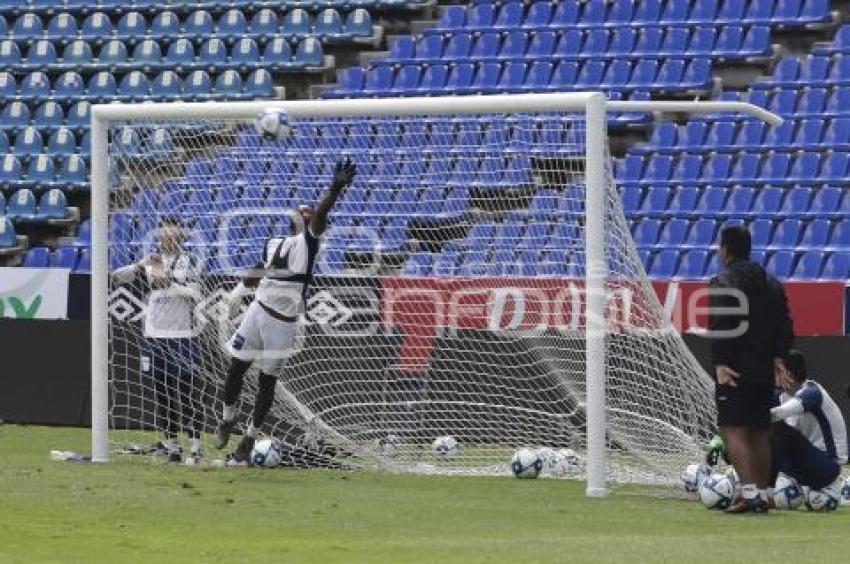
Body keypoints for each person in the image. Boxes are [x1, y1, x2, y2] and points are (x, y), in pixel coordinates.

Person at [214, 158, 357, 463]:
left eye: (310, 212)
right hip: (258, 310)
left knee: (267, 382)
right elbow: (256, 271)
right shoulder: (275, 242)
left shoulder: (309, 242)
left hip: (283, 323)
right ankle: (227, 418)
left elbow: (321, 216)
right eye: (302, 210)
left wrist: (335, 188)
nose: (307, 213)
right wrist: (240, 290)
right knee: (235, 369)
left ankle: (250, 437)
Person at [708, 225, 794, 513]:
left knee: (733, 429)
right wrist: (779, 357)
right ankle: (765, 493)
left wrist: (720, 362)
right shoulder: (772, 282)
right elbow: (785, 322)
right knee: (759, 430)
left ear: (726, 249)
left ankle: (748, 494)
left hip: (735, 367)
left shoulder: (723, 281)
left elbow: (721, 324)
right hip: (763, 368)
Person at [112, 219, 204, 463]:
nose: (168, 239)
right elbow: (117, 276)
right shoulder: (151, 260)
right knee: (162, 394)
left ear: (181, 238)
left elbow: (194, 294)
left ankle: (195, 446)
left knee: (186, 394)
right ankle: (172, 447)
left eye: (173, 235)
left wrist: (169, 281)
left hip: (182, 337)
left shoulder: (189, 261)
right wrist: (139, 267)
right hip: (154, 336)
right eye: (164, 235)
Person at [771, 350, 847, 491]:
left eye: (777, 370)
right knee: (763, 438)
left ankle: (766, 491)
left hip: (827, 466)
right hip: (805, 462)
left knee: (776, 430)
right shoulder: (780, 395)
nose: (772, 375)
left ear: (788, 374)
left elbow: (777, 414)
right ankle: (759, 489)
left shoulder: (812, 393)